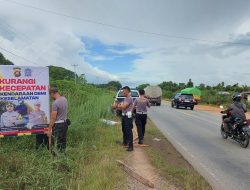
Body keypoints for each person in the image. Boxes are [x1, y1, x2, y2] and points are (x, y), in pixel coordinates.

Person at [47, 87, 68, 153]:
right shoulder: (64, 99)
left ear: (53, 93)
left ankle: (55, 158)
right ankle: (63, 156)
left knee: (55, 143)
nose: (50, 96)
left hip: (58, 126)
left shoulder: (55, 103)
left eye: (50, 94)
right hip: (65, 124)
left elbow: (53, 118)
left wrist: (49, 128)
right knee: (62, 142)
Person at [112, 86, 134, 151]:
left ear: (127, 91)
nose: (122, 92)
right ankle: (125, 143)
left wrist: (116, 105)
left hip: (127, 117)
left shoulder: (129, 98)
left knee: (128, 131)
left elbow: (124, 107)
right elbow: (121, 107)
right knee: (124, 130)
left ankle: (131, 146)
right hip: (124, 116)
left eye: (123, 91)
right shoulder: (125, 98)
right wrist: (116, 107)